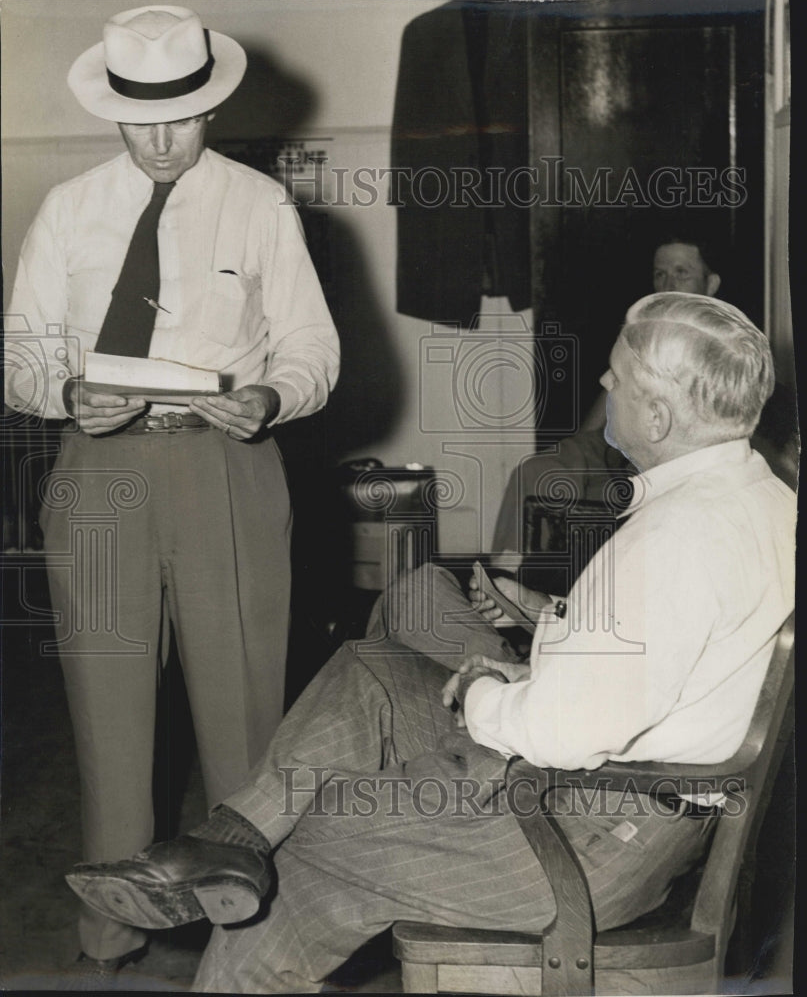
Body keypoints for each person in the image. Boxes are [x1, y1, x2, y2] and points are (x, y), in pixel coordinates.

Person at [65, 293, 794, 993]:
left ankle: (245, 854)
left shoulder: (674, 539)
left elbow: (560, 730)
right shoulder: (761, 498)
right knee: (371, 669)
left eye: (615, 377)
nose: (602, 384)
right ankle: (231, 836)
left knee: (314, 833)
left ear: (659, 414)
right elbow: (664, 652)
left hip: (580, 839)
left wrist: (486, 690)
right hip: (622, 807)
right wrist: (554, 632)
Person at [3, 4, 339, 977]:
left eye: (183, 118)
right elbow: (19, 356)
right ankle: (112, 933)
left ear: (212, 109)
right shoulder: (68, 209)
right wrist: (65, 391)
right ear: (112, 110)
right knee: (107, 713)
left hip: (227, 465)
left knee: (243, 715)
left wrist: (275, 394)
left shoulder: (262, 206)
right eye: (141, 118)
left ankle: (253, 939)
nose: (160, 140)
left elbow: (314, 347)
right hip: (100, 470)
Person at [491, 234, 724, 553]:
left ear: (711, 285)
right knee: (538, 472)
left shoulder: (723, 345)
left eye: (682, 273)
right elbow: (606, 406)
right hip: (618, 444)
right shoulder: (640, 329)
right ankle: (507, 584)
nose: (667, 284)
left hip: (668, 454)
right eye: (659, 273)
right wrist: (577, 457)